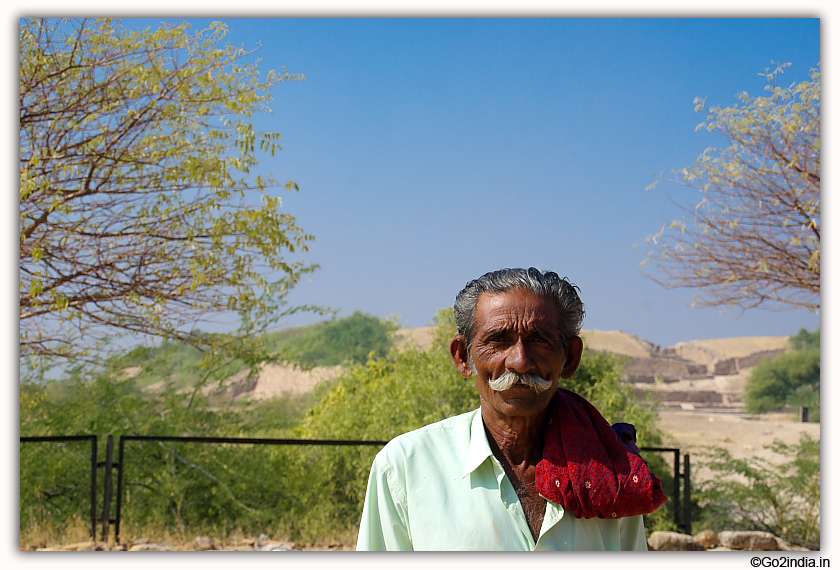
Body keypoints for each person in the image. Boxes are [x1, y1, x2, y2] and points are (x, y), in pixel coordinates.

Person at [356, 268, 667, 551]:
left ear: (570, 358)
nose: (519, 361)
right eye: (498, 341)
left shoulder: (614, 474)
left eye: (540, 340)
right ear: (464, 358)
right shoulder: (405, 468)